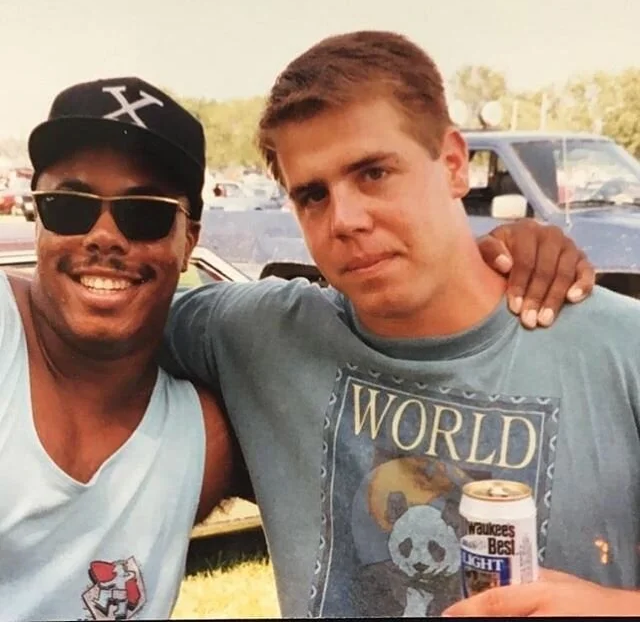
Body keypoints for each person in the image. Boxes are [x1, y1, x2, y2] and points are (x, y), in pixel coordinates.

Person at [160, 31, 640, 618]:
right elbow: (91, 324)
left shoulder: (619, 350)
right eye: (312, 194)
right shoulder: (260, 334)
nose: (345, 219)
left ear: (454, 164)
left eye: (373, 173)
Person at [0, 77, 249, 620]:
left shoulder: (202, 441)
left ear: (190, 240)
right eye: (70, 205)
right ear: (37, 217)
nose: (106, 236)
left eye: (144, 213)